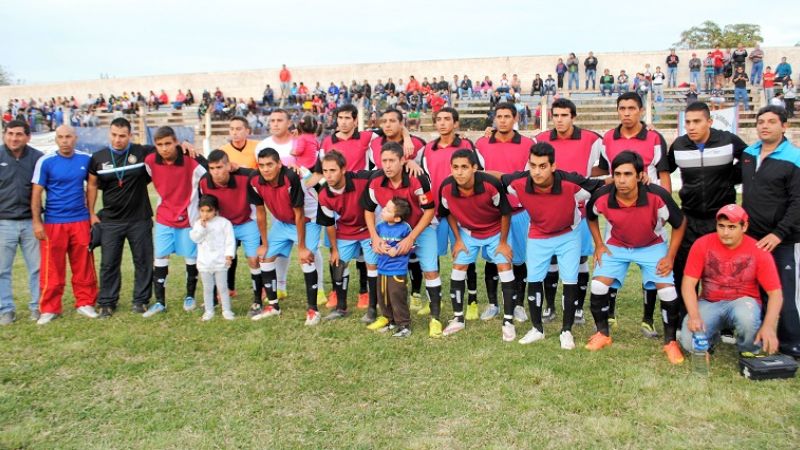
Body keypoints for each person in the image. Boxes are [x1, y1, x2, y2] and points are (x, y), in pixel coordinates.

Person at [585, 151, 687, 364]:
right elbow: (591, 215)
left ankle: (670, 342)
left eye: (628, 174)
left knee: (667, 290)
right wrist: (599, 245)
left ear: (640, 175)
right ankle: (603, 334)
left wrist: (670, 256)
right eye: (618, 174)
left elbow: (680, 224)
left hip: (652, 245)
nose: (621, 180)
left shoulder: (657, 195)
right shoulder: (602, 195)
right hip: (617, 245)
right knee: (598, 286)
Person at [503, 142, 604, 348]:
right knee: (534, 279)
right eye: (533, 166)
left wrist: (641, 180)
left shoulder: (570, 181)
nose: (537, 171)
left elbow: (600, 184)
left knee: (569, 280)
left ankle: (566, 331)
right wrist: (476, 172)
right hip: (538, 234)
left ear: (553, 166)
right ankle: (537, 329)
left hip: (568, 234)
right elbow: (498, 178)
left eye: (542, 166)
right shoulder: (519, 182)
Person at [88, 118, 189, 318]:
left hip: (139, 218)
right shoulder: (98, 158)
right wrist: (91, 213)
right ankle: (107, 302)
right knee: (109, 263)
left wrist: (184, 145)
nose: (118, 140)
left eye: (122, 136)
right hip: (111, 220)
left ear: (130, 136)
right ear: (110, 134)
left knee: (143, 261)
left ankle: (141, 300)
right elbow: (92, 185)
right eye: (114, 135)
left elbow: (167, 148)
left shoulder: (143, 152)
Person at [595, 92, 671, 335]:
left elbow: (664, 172)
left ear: (641, 111)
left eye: (631, 108)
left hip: (647, 210)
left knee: (651, 265)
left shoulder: (654, 137)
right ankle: (610, 313)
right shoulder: (608, 138)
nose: (626, 113)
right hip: (617, 210)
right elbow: (602, 170)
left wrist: (664, 203)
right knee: (613, 261)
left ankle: (647, 318)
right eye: (622, 108)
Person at [668, 102, 748, 318]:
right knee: (684, 270)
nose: (691, 127)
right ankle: (685, 318)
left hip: (720, 220)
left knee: (723, 272)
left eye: (697, 121)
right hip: (690, 218)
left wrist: (732, 177)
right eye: (688, 122)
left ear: (709, 122)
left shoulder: (727, 140)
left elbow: (751, 157)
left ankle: (726, 321)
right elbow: (665, 169)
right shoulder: (679, 145)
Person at [679, 204, 782, 357]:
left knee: (747, 318)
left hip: (743, 302)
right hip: (710, 302)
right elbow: (688, 284)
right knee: (688, 341)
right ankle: (709, 341)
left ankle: (748, 349)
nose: (725, 232)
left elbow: (775, 294)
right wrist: (694, 316)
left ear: (744, 226)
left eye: (732, 227)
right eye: (721, 226)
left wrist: (768, 327)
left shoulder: (758, 250)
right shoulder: (702, 244)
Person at [362, 142, 442, 337]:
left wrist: (411, 237)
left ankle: (436, 319)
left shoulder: (417, 179)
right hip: (391, 232)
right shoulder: (375, 180)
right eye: (384, 161)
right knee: (382, 272)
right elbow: (368, 210)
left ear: (402, 161)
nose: (387, 165)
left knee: (430, 271)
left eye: (392, 161)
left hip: (421, 228)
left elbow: (430, 209)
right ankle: (387, 316)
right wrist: (374, 236)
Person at [535, 98, 603, 326]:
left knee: (580, 259)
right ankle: (550, 305)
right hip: (549, 210)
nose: (560, 119)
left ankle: (576, 309)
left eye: (564, 115)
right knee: (551, 259)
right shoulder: (541, 139)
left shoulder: (592, 139)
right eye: (556, 115)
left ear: (573, 117)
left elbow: (605, 165)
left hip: (580, 210)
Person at [438, 149, 517, 341]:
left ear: (474, 168)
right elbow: (448, 212)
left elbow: (505, 212)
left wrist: (503, 242)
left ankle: (508, 321)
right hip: (468, 232)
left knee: (505, 267)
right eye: (455, 167)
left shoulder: (491, 184)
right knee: (458, 268)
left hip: (495, 231)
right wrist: (457, 239)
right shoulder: (447, 187)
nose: (459, 172)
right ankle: (458, 318)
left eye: (464, 167)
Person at [741, 105, 800, 356]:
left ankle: (791, 344)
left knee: (785, 292)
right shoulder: (748, 153)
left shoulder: (794, 157)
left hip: (782, 240)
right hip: (752, 238)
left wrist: (778, 234)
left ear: (784, 126)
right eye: (761, 121)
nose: (765, 126)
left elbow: (798, 202)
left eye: (772, 122)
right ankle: (759, 336)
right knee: (755, 290)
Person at [415, 107, 480, 318]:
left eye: (447, 119)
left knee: (464, 256)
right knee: (430, 257)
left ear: (456, 123)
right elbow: (416, 170)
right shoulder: (426, 150)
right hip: (435, 213)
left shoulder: (467, 146)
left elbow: (479, 173)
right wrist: (408, 161)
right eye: (439, 119)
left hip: (462, 212)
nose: (442, 123)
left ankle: (471, 301)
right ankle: (435, 299)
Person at [257, 109, 327, 305]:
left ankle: (319, 289)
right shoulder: (264, 146)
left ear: (290, 123)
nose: (275, 123)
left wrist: (305, 172)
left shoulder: (302, 140)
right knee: (276, 250)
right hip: (282, 215)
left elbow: (320, 172)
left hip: (308, 211)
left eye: (280, 120)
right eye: (272, 120)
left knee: (311, 252)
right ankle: (280, 287)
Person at [30, 125, 96, 324]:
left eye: (68, 137)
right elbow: (36, 193)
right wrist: (37, 222)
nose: (65, 140)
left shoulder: (85, 159)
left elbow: (92, 186)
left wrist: (91, 213)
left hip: (80, 220)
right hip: (53, 222)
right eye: (61, 137)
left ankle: (85, 302)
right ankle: (50, 308)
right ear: (56, 139)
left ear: (75, 138)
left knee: (83, 263)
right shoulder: (46, 161)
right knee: (52, 267)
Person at [475, 103, 534, 322]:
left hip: (519, 210)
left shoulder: (528, 143)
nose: (502, 120)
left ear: (515, 118)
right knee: (492, 259)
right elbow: (476, 172)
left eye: (507, 116)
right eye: (498, 116)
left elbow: (530, 176)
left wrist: (504, 178)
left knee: (518, 260)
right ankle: (492, 304)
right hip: (492, 212)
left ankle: (518, 304)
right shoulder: (482, 143)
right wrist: (499, 175)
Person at [250, 148, 322, 324]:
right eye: (262, 165)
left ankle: (313, 310)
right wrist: (264, 243)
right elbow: (260, 213)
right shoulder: (254, 181)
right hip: (282, 222)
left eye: (270, 165)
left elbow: (299, 213)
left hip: (307, 220)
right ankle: (273, 306)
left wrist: (302, 247)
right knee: (265, 258)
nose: (265, 169)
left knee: (307, 258)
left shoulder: (290, 178)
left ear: (279, 164)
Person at [142, 126, 207, 317]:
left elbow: (210, 172)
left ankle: (190, 296)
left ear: (176, 142)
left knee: (191, 258)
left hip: (188, 219)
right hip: (164, 218)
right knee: (160, 258)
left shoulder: (191, 161)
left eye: (168, 143)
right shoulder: (150, 161)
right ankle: (160, 301)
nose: (164, 148)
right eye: (160, 145)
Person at [198, 150, 264, 317]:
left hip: (246, 222)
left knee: (254, 260)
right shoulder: (205, 181)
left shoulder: (244, 176)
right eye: (212, 168)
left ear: (229, 165)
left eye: (219, 167)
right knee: (218, 260)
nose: (215, 172)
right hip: (222, 225)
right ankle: (214, 297)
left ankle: (257, 301)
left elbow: (262, 172)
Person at [316, 150, 377, 320]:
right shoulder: (324, 193)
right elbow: (329, 224)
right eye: (325, 171)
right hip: (345, 231)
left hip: (367, 229)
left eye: (332, 170)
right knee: (338, 265)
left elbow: (382, 172)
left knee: (372, 266)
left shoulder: (361, 178)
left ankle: (372, 309)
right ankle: (341, 308)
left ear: (343, 169)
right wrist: (334, 249)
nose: (328, 175)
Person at [0, 120, 42, 325]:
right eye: (10, 134)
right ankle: (6, 309)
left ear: (28, 137)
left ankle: (37, 305)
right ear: (4, 134)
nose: (13, 138)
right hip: (3, 223)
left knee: (37, 268)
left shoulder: (37, 158)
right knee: (2, 270)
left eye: (18, 134)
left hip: (30, 222)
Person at [368, 197, 414, 337]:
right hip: (382, 269)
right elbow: (373, 243)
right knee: (384, 297)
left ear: (397, 218)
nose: (383, 211)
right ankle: (390, 320)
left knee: (397, 296)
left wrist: (398, 249)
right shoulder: (380, 226)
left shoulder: (405, 228)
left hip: (397, 271)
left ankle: (404, 325)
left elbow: (412, 245)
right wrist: (379, 246)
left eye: (388, 210)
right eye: (384, 207)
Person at [190, 195, 236, 321]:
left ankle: (226, 310)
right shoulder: (198, 224)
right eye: (202, 211)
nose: (205, 214)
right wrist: (201, 228)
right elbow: (195, 238)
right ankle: (209, 311)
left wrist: (228, 256)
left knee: (222, 287)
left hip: (220, 262)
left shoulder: (224, 223)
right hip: (204, 263)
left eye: (209, 211)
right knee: (207, 288)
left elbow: (229, 240)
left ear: (215, 210)